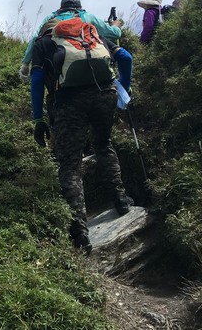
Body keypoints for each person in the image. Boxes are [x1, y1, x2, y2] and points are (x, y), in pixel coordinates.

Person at [30, 15, 133, 254]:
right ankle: (121, 201)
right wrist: (124, 90)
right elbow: (125, 57)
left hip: (67, 103)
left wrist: (38, 119)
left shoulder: (43, 44)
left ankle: (80, 233)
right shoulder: (92, 36)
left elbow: (36, 80)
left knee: (70, 164)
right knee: (104, 144)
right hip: (105, 94)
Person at [19, 0, 123, 81]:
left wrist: (25, 63)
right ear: (80, 7)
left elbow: (35, 38)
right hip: (88, 55)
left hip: (57, 60)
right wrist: (115, 26)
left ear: (61, 7)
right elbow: (114, 33)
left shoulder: (51, 17)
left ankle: (38, 106)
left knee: (38, 76)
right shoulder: (86, 16)